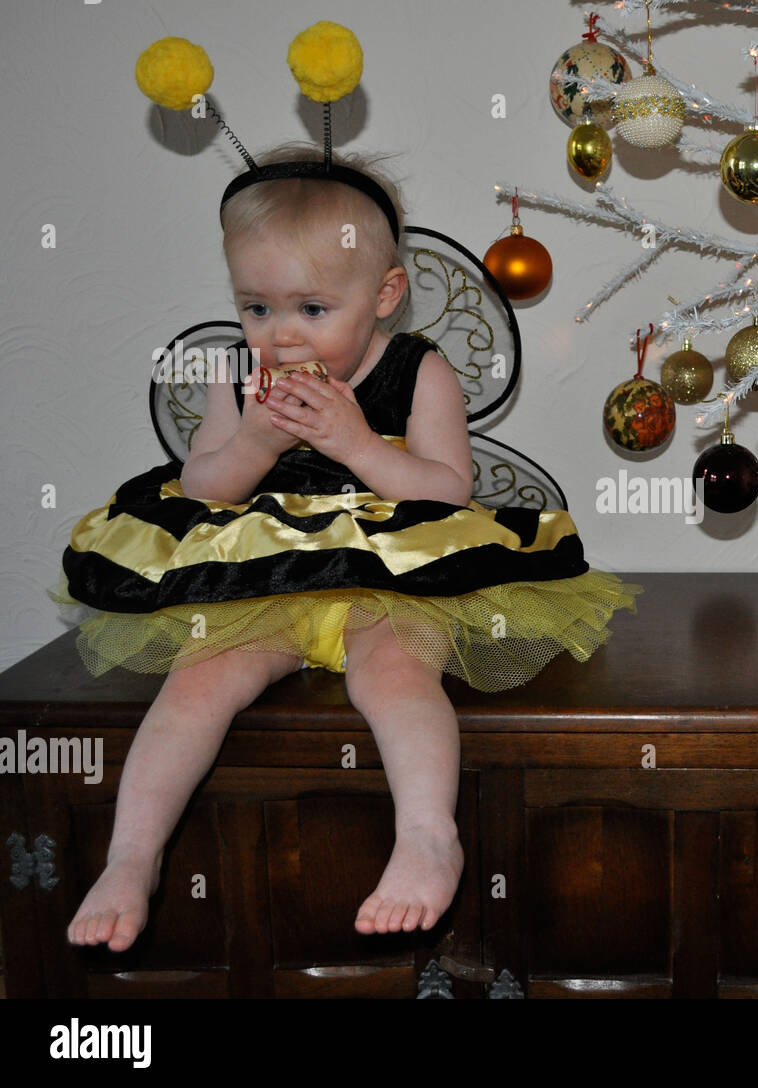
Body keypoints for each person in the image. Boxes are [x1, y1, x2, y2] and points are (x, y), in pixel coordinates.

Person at [51, 144, 640, 952]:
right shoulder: (236, 376)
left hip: (394, 578)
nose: (280, 335)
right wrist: (256, 439)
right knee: (198, 682)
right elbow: (206, 486)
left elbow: (446, 489)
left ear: (384, 294)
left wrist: (359, 443)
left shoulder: (417, 368)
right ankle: (132, 856)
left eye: (311, 310)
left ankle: (429, 834)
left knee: (396, 675)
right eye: (256, 309)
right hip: (261, 579)